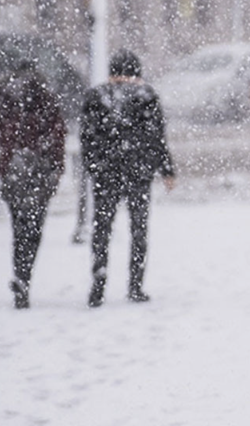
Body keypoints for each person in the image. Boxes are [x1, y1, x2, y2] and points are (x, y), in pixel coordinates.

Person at [81, 49, 175, 308]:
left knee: (102, 229)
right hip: (138, 174)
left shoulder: (95, 96)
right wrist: (166, 169)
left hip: (106, 174)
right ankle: (135, 285)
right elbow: (157, 138)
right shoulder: (146, 96)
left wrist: (94, 167)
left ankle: (98, 281)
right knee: (139, 230)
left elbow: (87, 138)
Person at [0, 60, 66, 309]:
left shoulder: (3, 96)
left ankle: (20, 274)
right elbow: (58, 134)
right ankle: (25, 275)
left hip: (13, 170)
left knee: (19, 227)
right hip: (40, 170)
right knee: (34, 228)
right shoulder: (45, 97)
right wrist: (56, 168)